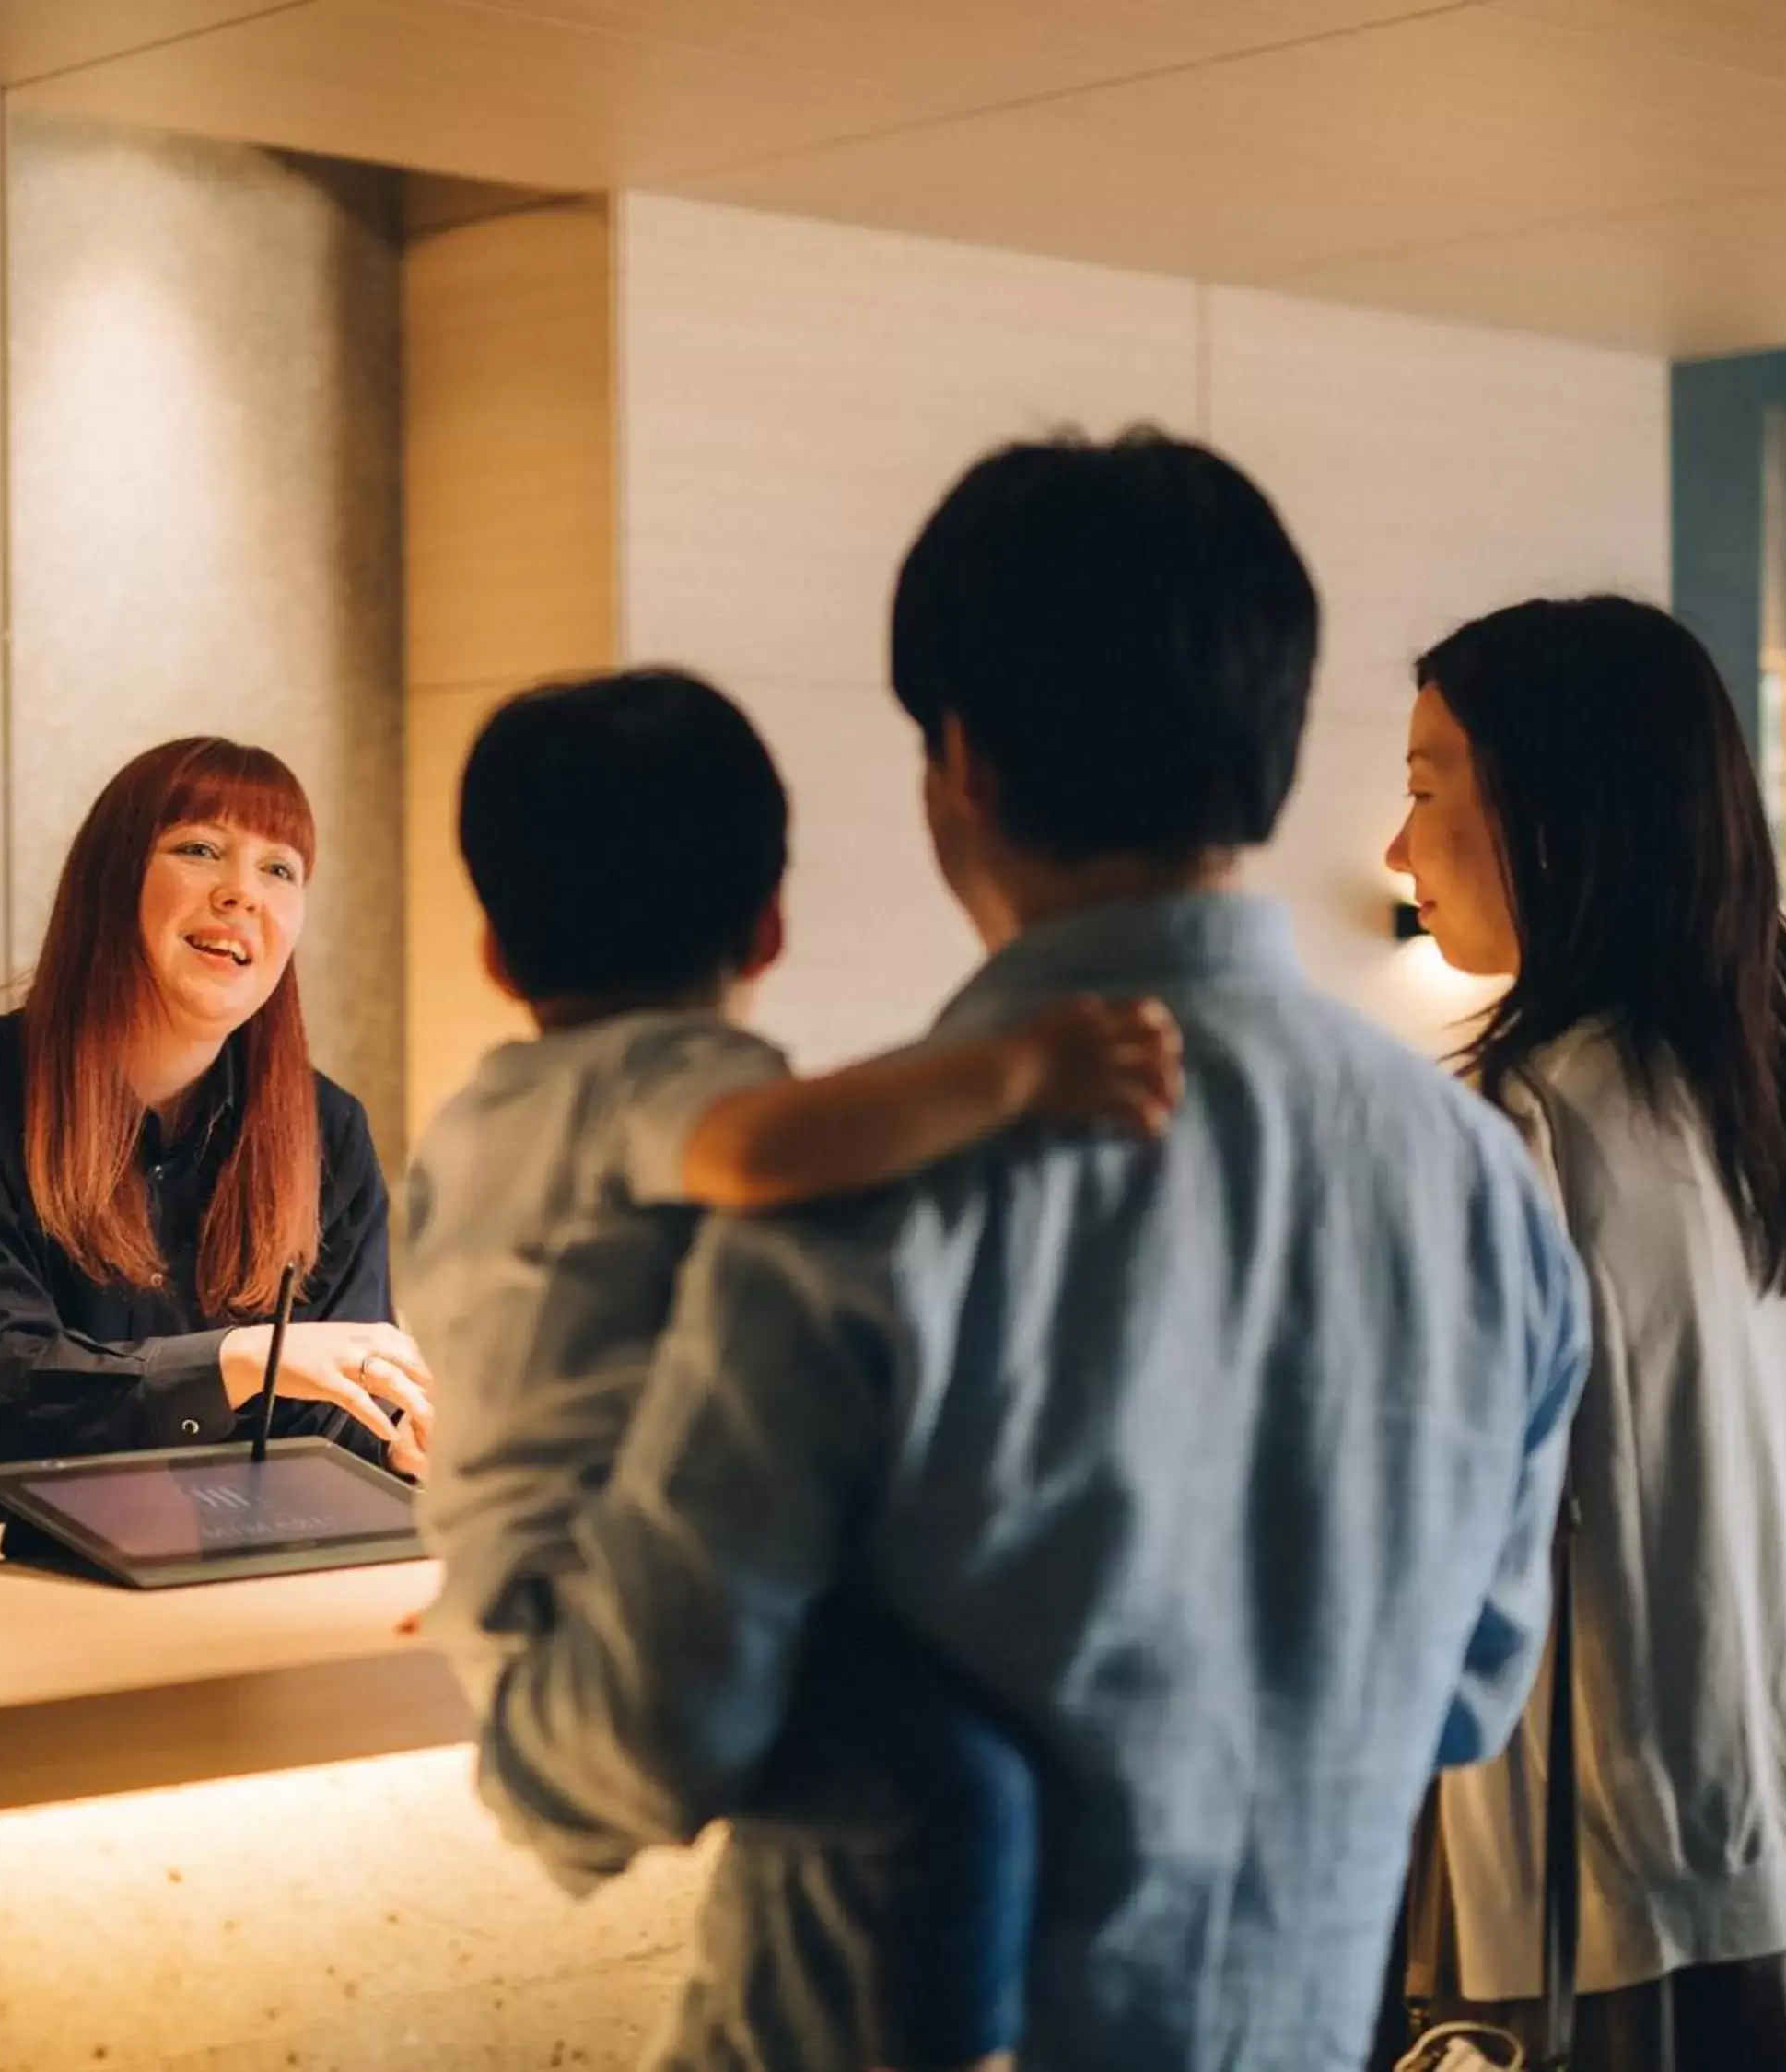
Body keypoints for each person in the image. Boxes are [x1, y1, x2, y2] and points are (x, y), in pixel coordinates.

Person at [461, 430, 1593, 2070]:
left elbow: (641, 1740)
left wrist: (511, 1645)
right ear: (1269, 755)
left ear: (965, 766)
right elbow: (1467, 1697)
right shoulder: (1483, 1187)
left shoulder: (867, 1191)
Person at [400, 666, 1183, 2072]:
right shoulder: (659, 1080)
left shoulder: (477, 1120)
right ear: (768, 924)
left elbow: (505, 1378)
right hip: (598, 1633)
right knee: (960, 1788)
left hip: (525, 1606)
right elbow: (763, 1151)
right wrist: (1016, 1072)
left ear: (498, 957)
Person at [1383, 597, 1786, 2072]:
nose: (1395, 847)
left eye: (1426, 789)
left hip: (1615, 1893)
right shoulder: (1771, 1107)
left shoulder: (1524, 1126)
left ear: (1556, 818)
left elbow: (1432, 1553)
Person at [0, 736, 433, 1542]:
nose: (242, 894)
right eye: (200, 849)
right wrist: (232, 1362)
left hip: (182, 1572)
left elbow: (335, 1428)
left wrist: (415, 1445)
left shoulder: (330, 1131)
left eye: (280, 869)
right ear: (111, 880)